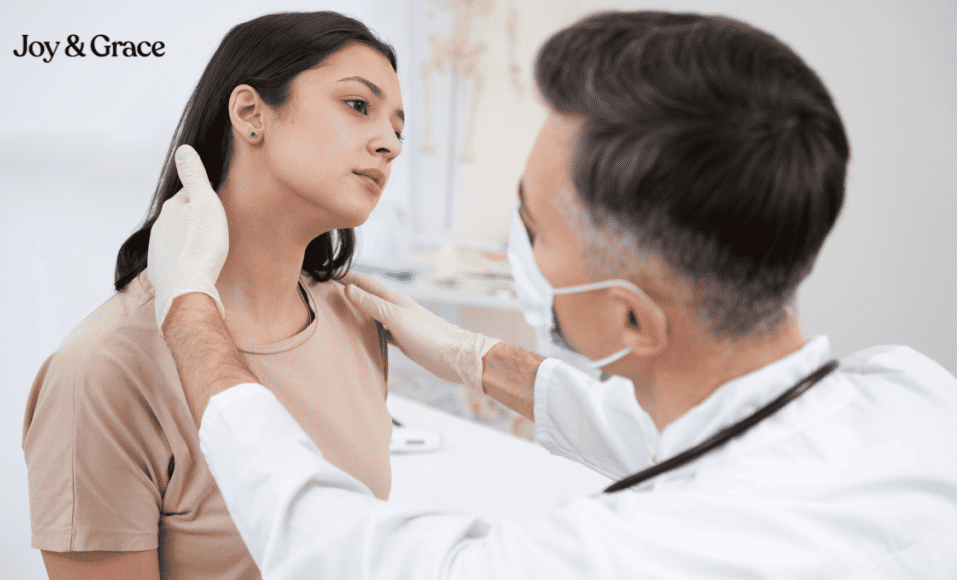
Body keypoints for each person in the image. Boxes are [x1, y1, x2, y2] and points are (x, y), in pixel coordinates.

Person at [151, 10, 957, 579]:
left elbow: (333, 550)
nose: (390, 143)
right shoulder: (913, 394)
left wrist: (190, 312)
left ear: (631, 317)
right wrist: (480, 361)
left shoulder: (623, 556)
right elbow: (694, 437)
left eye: (531, 229)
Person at [21, 11, 404, 579]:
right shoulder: (102, 373)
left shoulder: (357, 325)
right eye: (357, 106)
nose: (389, 144)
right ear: (251, 114)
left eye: (400, 128)